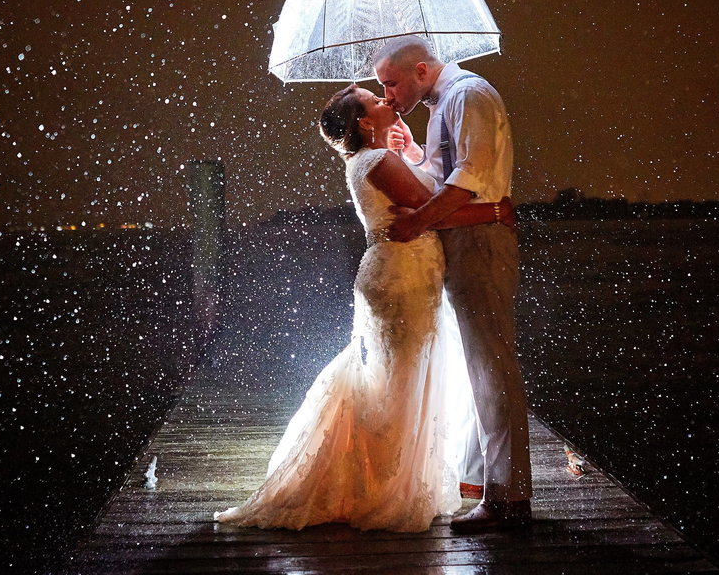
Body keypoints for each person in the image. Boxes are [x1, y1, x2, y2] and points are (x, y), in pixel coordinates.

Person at [214, 84, 514, 532]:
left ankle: (379, 476)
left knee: (396, 380)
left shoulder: (370, 160)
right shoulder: (377, 161)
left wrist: (412, 151)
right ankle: (378, 487)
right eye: (375, 100)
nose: (386, 100)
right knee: (401, 383)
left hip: (401, 272)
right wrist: (494, 212)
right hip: (402, 276)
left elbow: (420, 200)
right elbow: (429, 210)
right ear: (363, 123)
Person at [373, 35, 533, 532]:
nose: (388, 97)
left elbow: (469, 180)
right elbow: (449, 175)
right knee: (477, 366)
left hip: (481, 241)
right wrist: (417, 153)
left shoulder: (468, 94)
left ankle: (508, 499)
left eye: (391, 83)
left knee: (491, 365)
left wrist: (418, 222)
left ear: (421, 69)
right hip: (466, 238)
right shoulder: (446, 101)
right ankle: (487, 484)